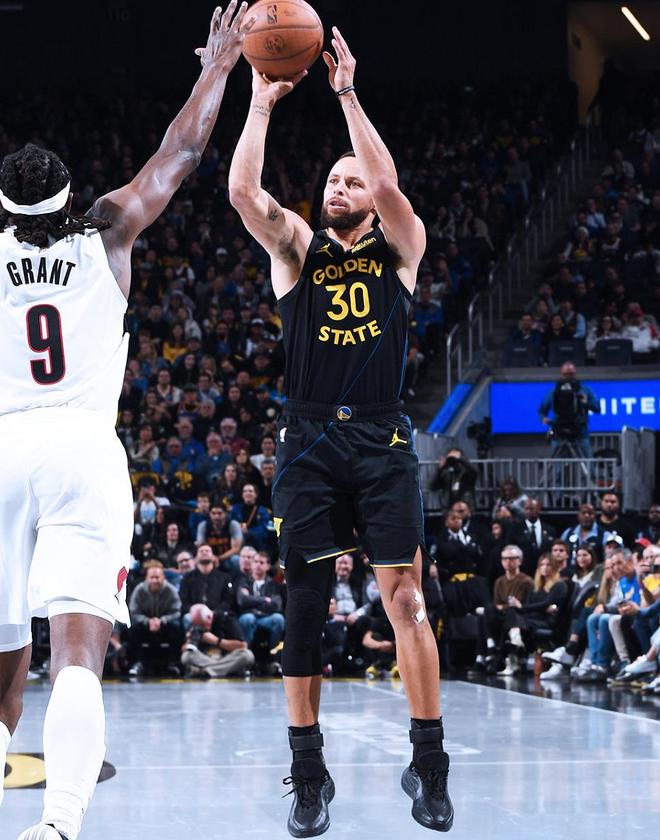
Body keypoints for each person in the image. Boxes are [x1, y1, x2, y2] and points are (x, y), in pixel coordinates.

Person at [0, 6, 252, 837]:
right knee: (77, 651)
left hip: (3, 445)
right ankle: (59, 823)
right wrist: (216, 69)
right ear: (69, 195)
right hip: (79, 445)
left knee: (2, 661)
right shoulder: (106, 229)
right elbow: (179, 154)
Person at [228, 26, 452, 836]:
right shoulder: (297, 250)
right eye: (331, 178)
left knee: (408, 601)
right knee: (304, 608)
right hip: (311, 442)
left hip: (383, 441)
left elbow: (387, 180)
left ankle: (429, 765)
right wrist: (259, 105)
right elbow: (243, 193)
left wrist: (347, 93)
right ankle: (309, 773)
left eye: (350, 180)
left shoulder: (402, 250)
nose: (340, 186)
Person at [127, 561, 184, 677]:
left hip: (164, 624)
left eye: (157, 577)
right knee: (133, 630)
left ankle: (173, 664)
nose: (154, 580)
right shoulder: (139, 590)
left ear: (163, 578)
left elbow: (177, 611)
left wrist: (161, 620)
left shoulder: (171, 590)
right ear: (147, 578)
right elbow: (133, 612)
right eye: (152, 577)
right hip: (145, 625)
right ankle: (136, 663)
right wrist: (148, 621)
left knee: (177, 629)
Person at [538, 362, 600, 458]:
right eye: (565, 374)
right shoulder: (554, 392)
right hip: (559, 433)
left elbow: (597, 409)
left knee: (588, 465)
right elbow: (541, 411)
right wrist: (543, 418)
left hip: (580, 433)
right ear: (561, 375)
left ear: (575, 374)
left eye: (571, 374)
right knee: (557, 466)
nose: (568, 377)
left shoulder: (585, 390)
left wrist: (586, 402)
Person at [180, 603, 254, 678]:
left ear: (209, 617)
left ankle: (207, 671)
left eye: (202, 624)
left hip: (227, 656)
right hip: (206, 658)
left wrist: (216, 641)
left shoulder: (226, 618)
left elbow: (243, 645)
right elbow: (185, 649)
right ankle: (219, 669)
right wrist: (189, 641)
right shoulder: (194, 624)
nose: (202, 628)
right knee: (186, 656)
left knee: (247, 655)